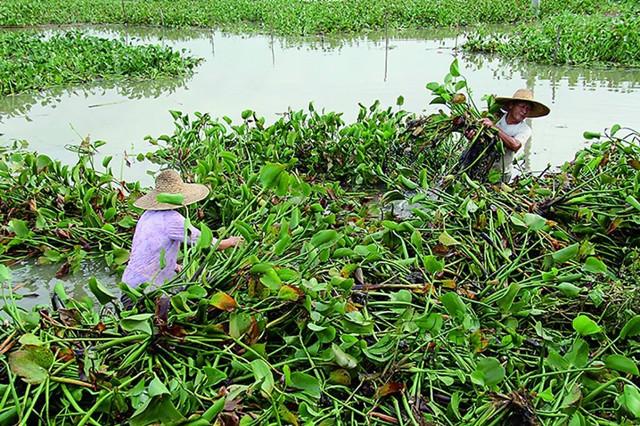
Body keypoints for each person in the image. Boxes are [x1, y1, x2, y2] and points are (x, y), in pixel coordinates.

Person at [122, 169, 242, 291]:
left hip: (128, 284)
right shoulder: (173, 219)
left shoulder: (146, 215)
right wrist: (231, 242)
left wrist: (173, 265)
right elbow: (207, 243)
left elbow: (148, 250)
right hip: (145, 289)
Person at [467, 89, 550, 182]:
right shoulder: (495, 116)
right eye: (522, 107)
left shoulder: (525, 129)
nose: (524, 111)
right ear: (511, 105)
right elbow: (481, 137)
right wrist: (472, 136)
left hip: (500, 174)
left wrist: (494, 128)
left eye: (527, 109)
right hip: (478, 166)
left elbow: (515, 145)